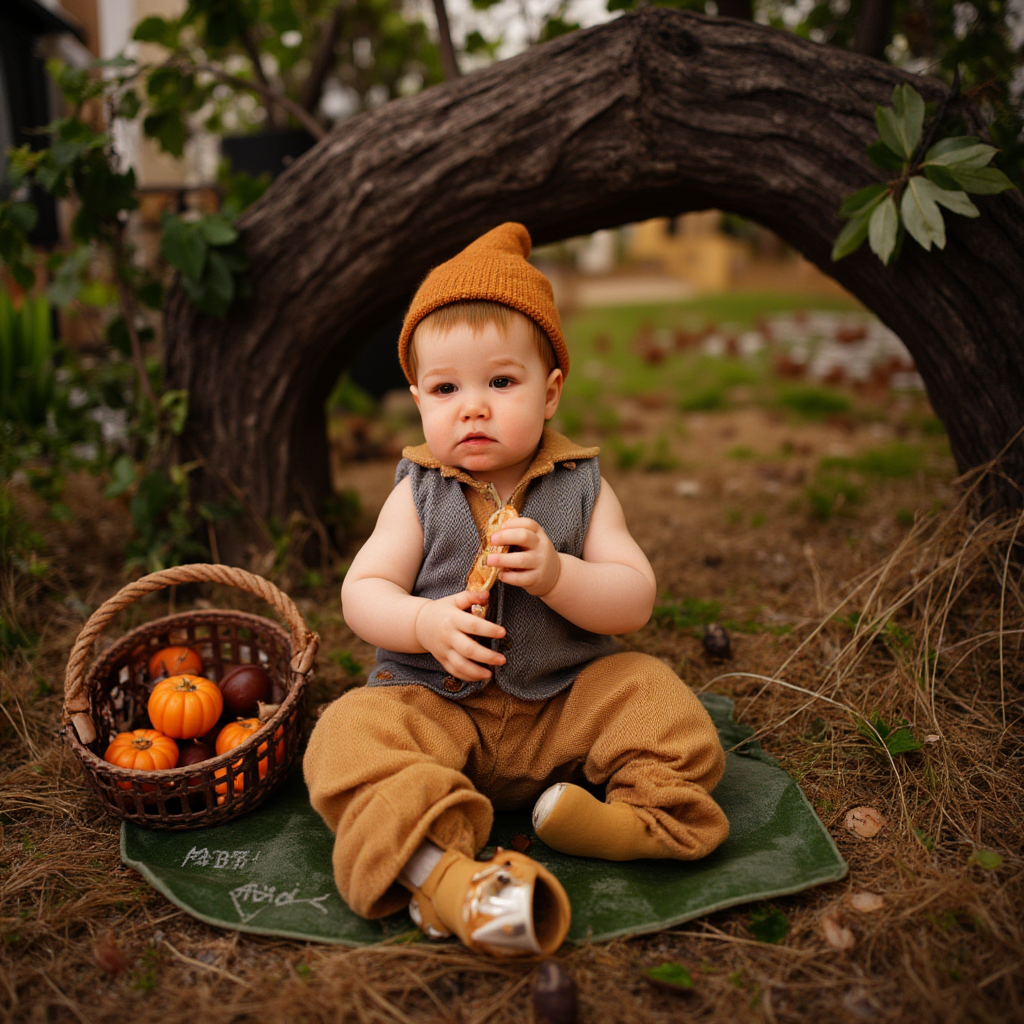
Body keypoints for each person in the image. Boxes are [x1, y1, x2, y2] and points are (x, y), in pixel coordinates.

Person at [304, 223, 729, 958]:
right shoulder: (418, 494)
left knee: (655, 695)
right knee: (346, 734)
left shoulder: (583, 489)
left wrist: (562, 575)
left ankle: (635, 826)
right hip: (438, 709)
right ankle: (445, 877)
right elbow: (362, 591)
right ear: (417, 399)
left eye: (500, 382)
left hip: (566, 706)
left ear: (551, 390)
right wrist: (422, 622)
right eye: (445, 388)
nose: (472, 407)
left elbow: (634, 598)